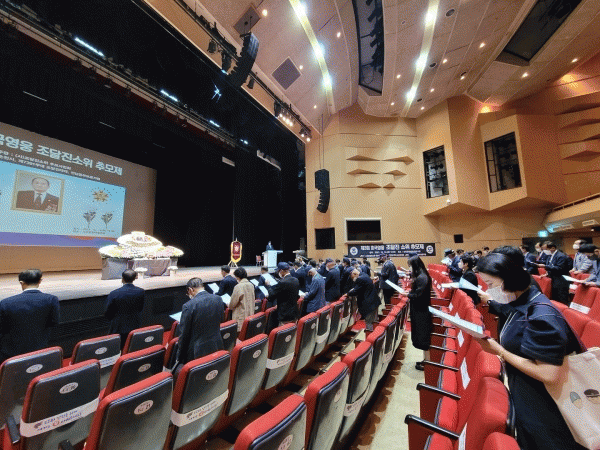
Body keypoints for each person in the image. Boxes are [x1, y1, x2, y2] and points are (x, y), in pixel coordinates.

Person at [474, 253, 585, 450]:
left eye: (490, 284)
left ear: (508, 279)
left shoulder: (541, 316)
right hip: (528, 394)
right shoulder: (525, 300)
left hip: (547, 407)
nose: (488, 290)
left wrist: (499, 351)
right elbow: (511, 311)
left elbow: (549, 374)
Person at [0, 269, 60, 363]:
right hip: (40, 349)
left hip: (12, 354)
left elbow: (2, 328)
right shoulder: (52, 299)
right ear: (40, 281)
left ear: (21, 282)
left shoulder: (5, 303)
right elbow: (54, 322)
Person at [175, 278, 224, 373]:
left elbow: (184, 334)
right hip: (216, 345)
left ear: (190, 290)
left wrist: (179, 357)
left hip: (196, 351)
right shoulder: (218, 299)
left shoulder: (188, 305)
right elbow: (222, 319)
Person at [104, 269, 145, 349]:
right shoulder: (141, 291)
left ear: (122, 279)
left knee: (117, 348)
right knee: (132, 347)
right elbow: (140, 308)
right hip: (135, 324)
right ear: (134, 278)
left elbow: (108, 311)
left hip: (118, 327)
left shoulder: (114, 293)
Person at [406, 256, 432, 371]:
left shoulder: (422, 277)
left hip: (422, 311)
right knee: (422, 337)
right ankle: (426, 360)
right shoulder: (421, 275)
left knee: (424, 338)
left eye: (410, 266)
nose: (410, 268)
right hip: (420, 309)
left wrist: (407, 294)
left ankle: (428, 363)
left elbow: (418, 295)